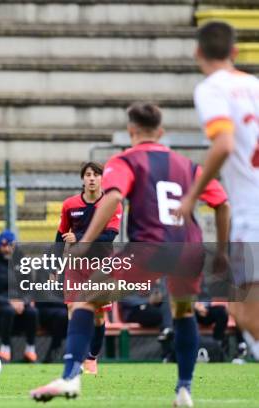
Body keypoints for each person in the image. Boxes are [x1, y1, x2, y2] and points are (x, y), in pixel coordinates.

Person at [30, 103, 230, 407]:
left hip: (149, 247)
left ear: (131, 130)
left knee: (86, 298)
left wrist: (86, 240)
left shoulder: (126, 160)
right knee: (183, 312)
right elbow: (222, 204)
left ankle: (70, 377)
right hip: (188, 248)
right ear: (161, 132)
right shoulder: (188, 166)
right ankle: (184, 390)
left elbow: (113, 198)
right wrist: (224, 251)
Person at [176, 21, 259, 363]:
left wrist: (193, 195)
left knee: (244, 312)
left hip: (252, 213)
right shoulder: (254, 84)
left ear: (197, 52)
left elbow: (223, 143)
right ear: (235, 52)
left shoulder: (211, 88)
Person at [56, 161, 122, 374]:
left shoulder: (112, 204)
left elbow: (109, 236)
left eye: (95, 174)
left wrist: (80, 237)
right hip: (76, 265)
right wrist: (54, 265)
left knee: (99, 315)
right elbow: (59, 236)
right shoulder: (70, 205)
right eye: (88, 174)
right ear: (82, 179)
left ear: (102, 178)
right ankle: (77, 357)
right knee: (73, 309)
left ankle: (92, 357)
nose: (92, 178)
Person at [0, 230, 38, 363]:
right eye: (4, 245)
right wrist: (9, 302)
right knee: (7, 310)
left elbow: (29, 291)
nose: (7, 249)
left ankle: (30, 348)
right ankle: (5, 348)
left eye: (10, 246)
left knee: (32, 312)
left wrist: (23, 302)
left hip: (19, 310)